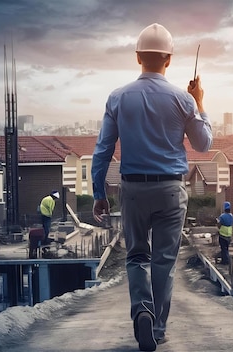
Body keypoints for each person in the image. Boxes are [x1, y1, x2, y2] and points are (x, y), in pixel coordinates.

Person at [91, 23, 212, 352]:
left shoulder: (118, 98)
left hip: (132, 189)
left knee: (136, 257)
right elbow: (203, 144)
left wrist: (99, 194)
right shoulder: (183, 99)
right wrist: (199, 103)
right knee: (163, 261)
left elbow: (103, 151)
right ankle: (157, 327)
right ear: (168, 61)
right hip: (171, 190)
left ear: (138, 58)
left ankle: (141, 310)